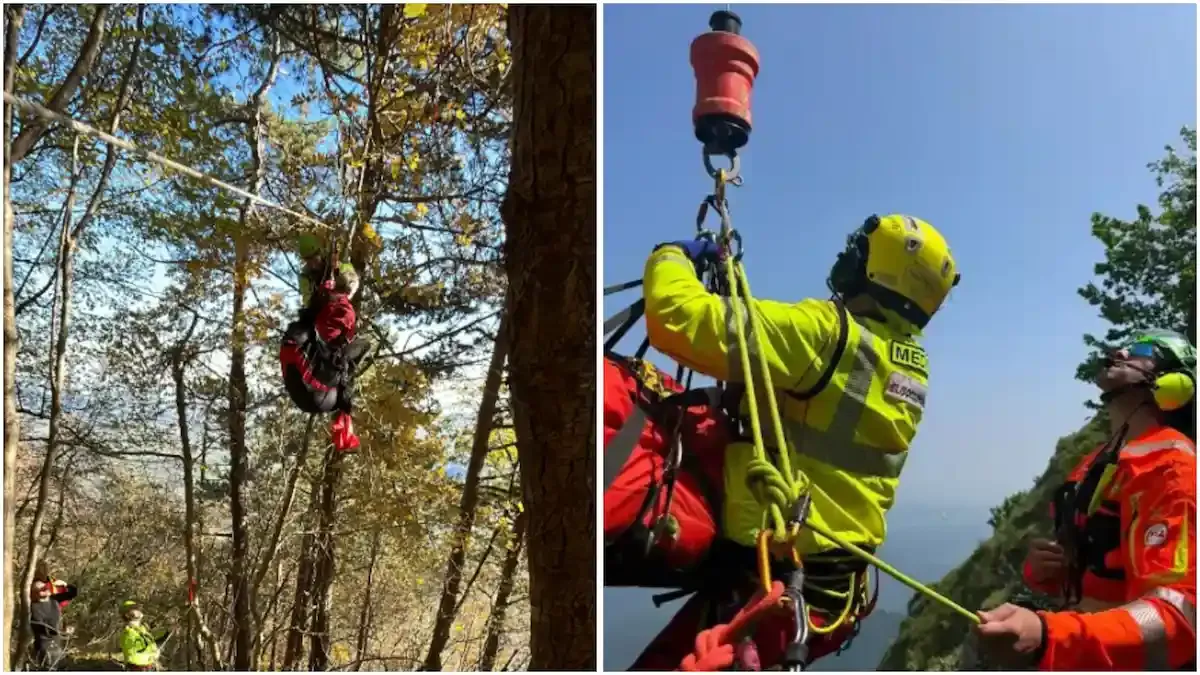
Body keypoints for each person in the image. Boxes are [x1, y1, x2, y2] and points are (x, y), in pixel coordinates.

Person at [619, 213, 961, 669]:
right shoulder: (908, 366)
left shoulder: (828, 334)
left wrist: (670, 256)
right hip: (831, 595)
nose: (849, 257)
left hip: (776, 590)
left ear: (885, 270)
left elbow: (678, 320)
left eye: (860, 250)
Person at [975, 330, 1197, 670]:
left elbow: (1180, 619)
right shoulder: (1098, 461)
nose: (1121, 350)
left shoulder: (1173, 468)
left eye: (1140, 349)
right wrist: (1043, 571)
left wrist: (1051, 637)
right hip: (1085, 650)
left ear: (1174, 383)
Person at [280, 233, 370, 452]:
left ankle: (343, 412)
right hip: (318, 376)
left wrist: (334, 280)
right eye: (308, 259)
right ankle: (344, 412)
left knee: (349, 356)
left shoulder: (337, 270)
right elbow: (312, 302)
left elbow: (347, 282)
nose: (312, 262)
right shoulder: (310, 280)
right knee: (358, 349)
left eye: (315, 257)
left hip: (310, 379)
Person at [29, 578, 78, 671]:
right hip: (44, 646)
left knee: (62, 668)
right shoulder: (34, 607)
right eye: (41, 589)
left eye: (45, 587)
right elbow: (41, 627)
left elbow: (73, 593)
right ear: (34, 593)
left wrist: (65, 584)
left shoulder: (55, 599)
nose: (45, 589)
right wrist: (62, 631)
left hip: (58, 643)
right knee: (48, 668)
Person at [119, 601, 168, 671]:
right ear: (128, 615)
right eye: (135, 609)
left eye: (138, 608)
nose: (138, 610)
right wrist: (152, 655)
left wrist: (168, 632)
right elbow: (133, 657)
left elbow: (152, 643)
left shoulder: (142, 630)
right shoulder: (128, 634)